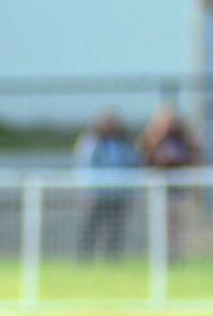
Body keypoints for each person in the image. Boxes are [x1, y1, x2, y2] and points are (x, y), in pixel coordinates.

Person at [138, 104, 202, 260]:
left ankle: (176, 255)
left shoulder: (183, 139)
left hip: (178, 190)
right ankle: (160, 256)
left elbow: (195, 157)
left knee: (177, 225)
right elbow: (143, 158)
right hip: (158, 191)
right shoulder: (152, 138)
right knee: (160, 225)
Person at [74, 111, 138, 260]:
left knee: (116, 228)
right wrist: (87, 192)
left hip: (118, 193)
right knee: (92, 227)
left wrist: (130, 193)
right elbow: (84, 166)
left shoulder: (125, 143)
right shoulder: (91, 142)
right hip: (98, 193)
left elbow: (132, 165)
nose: (110, 127)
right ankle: (84, 258)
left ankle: (112, 259)